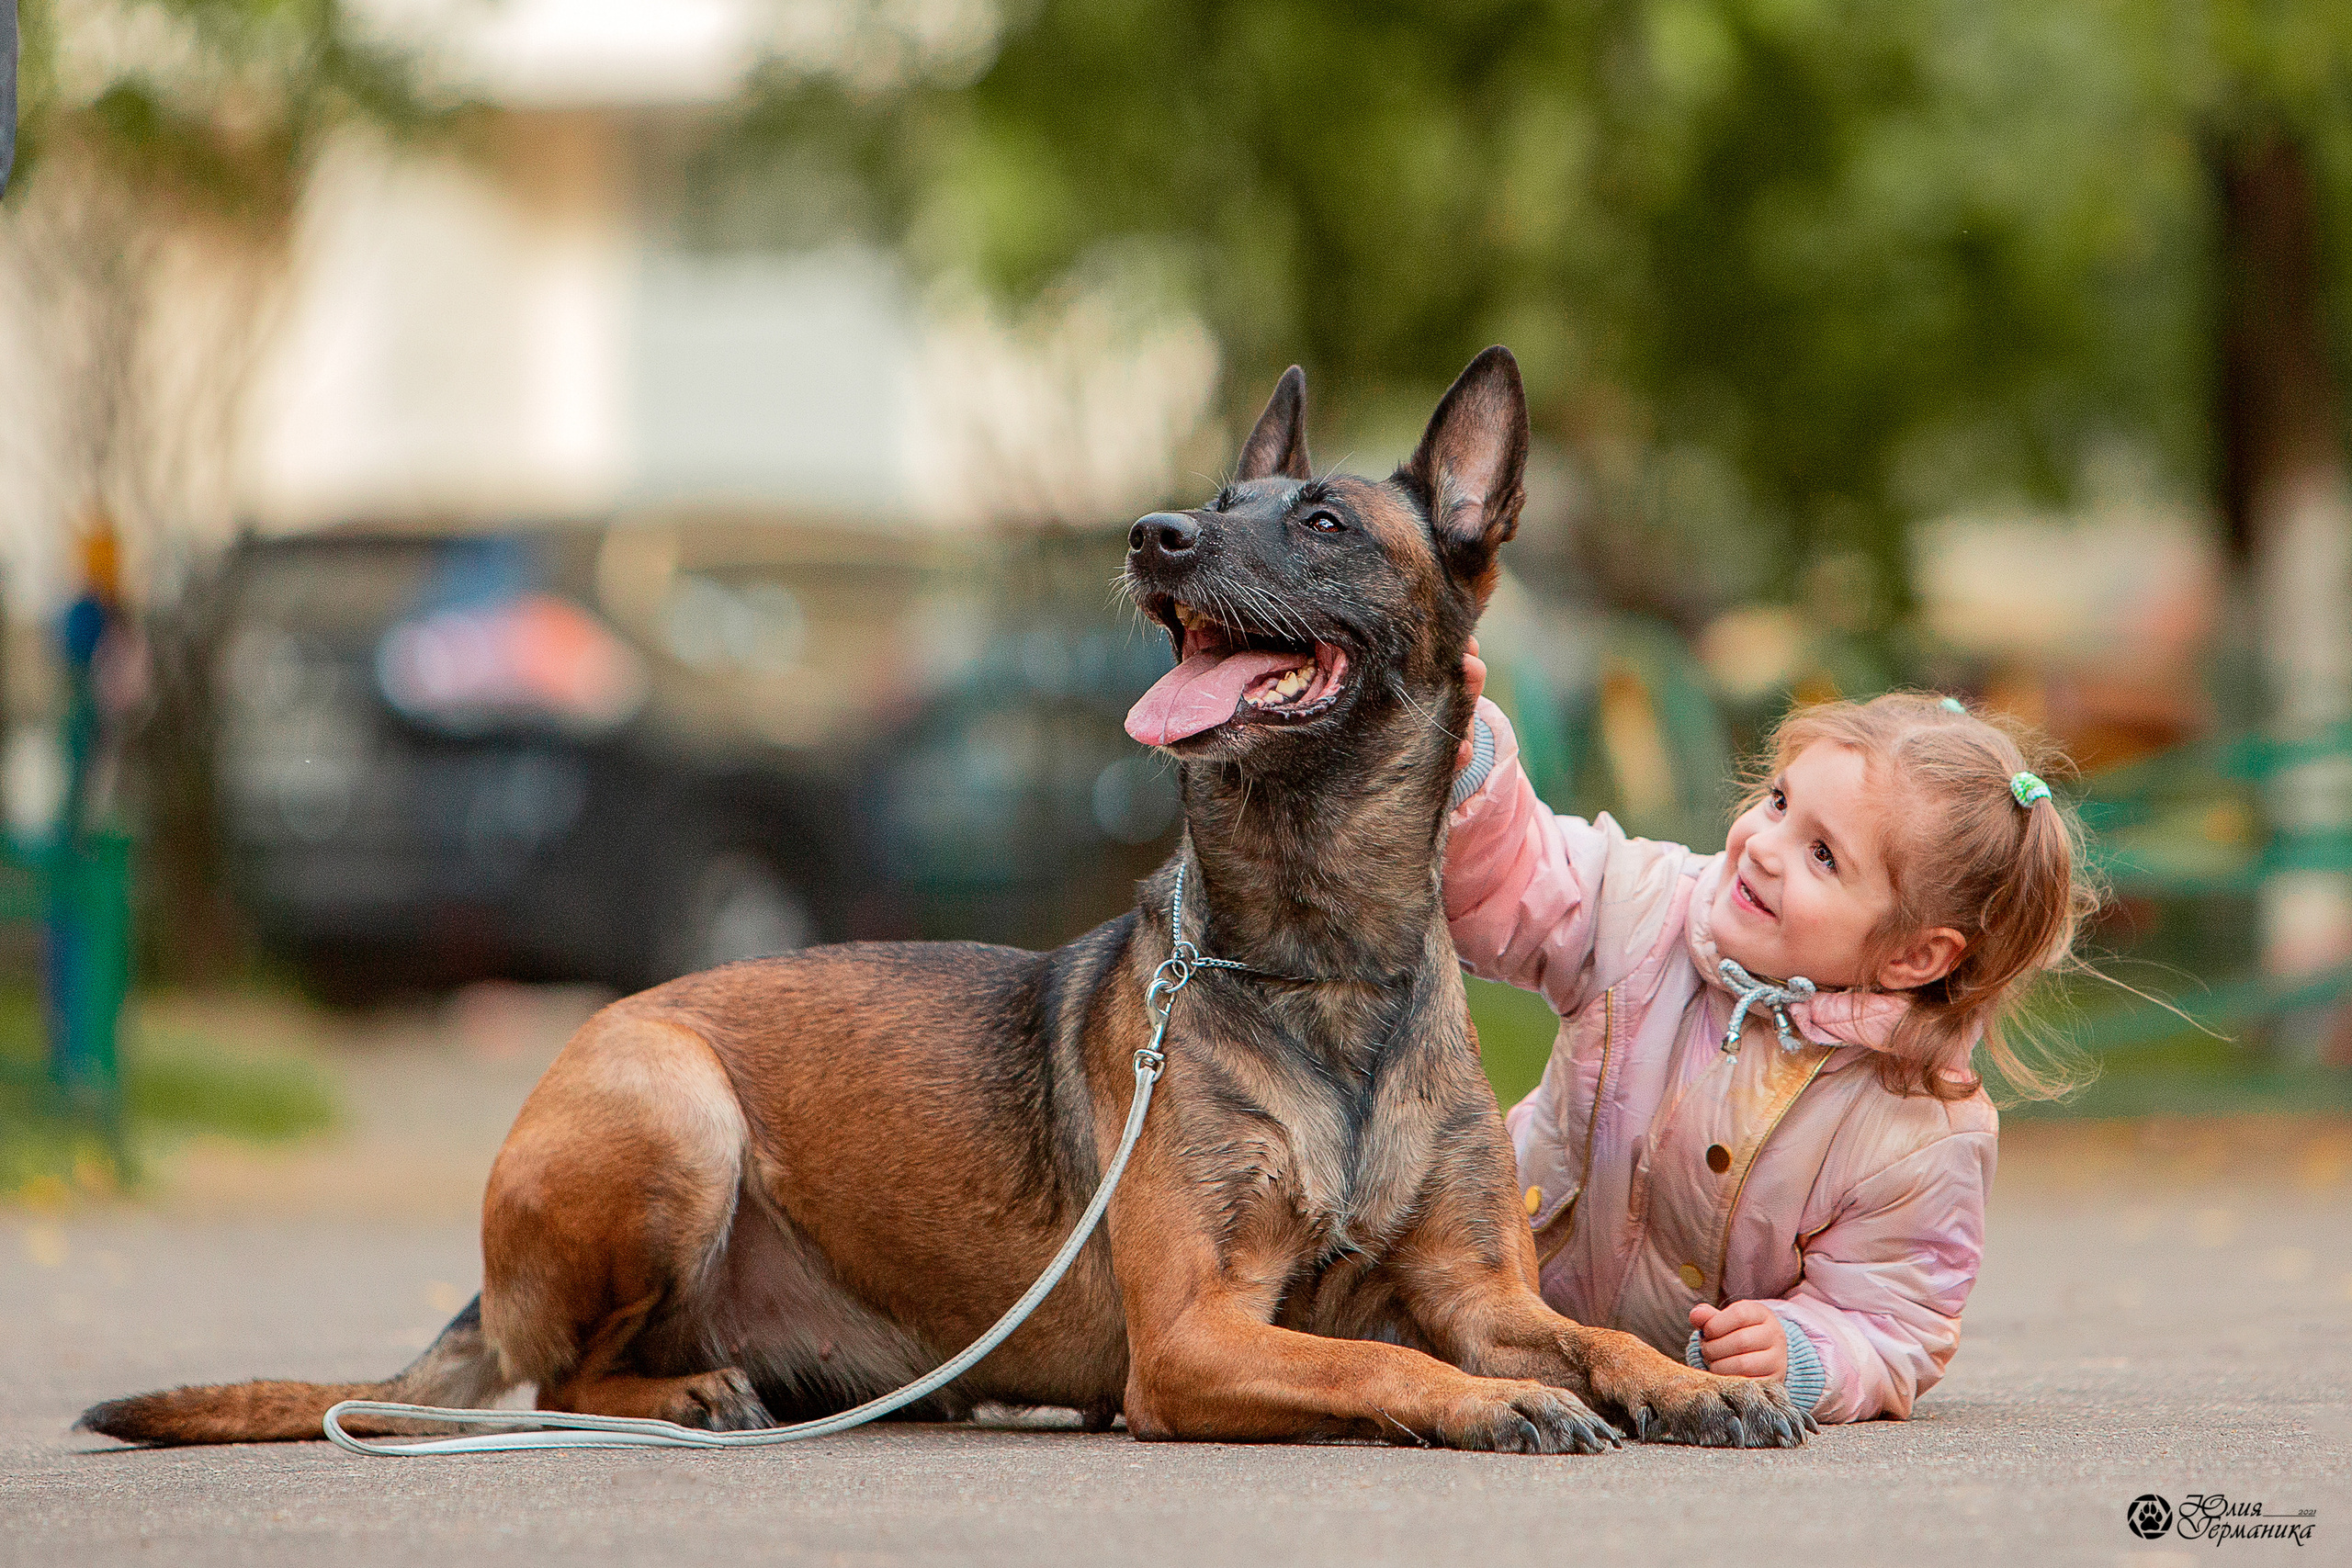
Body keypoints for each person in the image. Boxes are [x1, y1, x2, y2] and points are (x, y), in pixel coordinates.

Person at [1445, 646, 2097, 1422]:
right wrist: (1465, 758)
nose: (1761, 844)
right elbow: (1523, 874)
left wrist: (1802, 1350)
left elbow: (1892, 1321)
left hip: (1683, 1395)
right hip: (1488, 1305)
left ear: (1914, 956)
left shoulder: (1919, 1126)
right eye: (1779, 801)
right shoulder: (1646, 909)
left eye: (1822, 855)